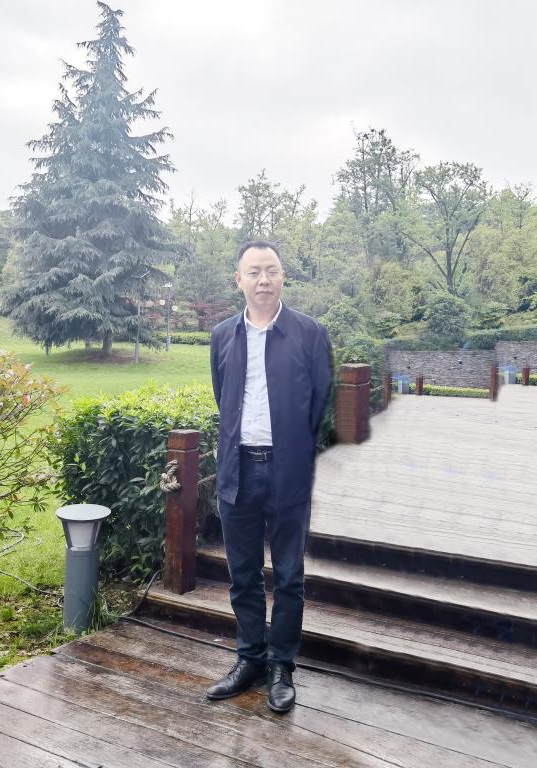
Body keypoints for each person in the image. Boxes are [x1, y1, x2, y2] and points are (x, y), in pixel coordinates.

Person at [206, 240, 333, 713]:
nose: (264, 280)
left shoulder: (309, 333)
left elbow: (318, 401)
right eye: (254, 272)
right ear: (238, 279)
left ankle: (281, 665)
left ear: (282, 277)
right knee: (241, 575)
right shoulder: (222, 335)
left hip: (287, 471)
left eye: (272, 271)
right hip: (237, 470)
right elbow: (223, 397)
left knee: (288, 575)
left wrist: (294, 450)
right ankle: (250, 659)